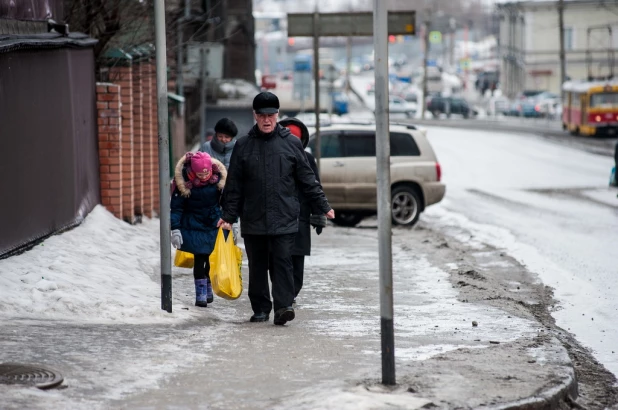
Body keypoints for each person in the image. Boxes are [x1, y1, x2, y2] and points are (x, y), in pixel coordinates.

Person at [217, 91, 335, 326]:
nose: (267, 119)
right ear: (255, 116)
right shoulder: (244, 145)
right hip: (254, 217)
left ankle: (283, 307)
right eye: (262, 115)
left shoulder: (291, 143)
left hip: (284, 216)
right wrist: (229, 216)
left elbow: (307, 178)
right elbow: (234, 186)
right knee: (258, 266)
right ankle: (260, 308)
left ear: (277, 115)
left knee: (283, 263)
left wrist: (322, 206)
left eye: (271, 115)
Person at [275, 118, 327, 307]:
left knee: (297, 260)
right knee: (280, 258)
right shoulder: (274, 157)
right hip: (278, 217)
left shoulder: (308, 159)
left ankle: (292, 292)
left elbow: (315, 187)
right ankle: (283, 294)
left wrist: (318, 214)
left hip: (301, 217)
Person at [170, 151, 227, 308]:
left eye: (206, 172)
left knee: (210, 258)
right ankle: (200, 292)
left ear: (211, 169)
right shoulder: (184, 185)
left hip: (213, 224)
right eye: (199, 173)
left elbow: (228, 203)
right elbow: (176, 208)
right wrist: (175, 229)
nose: (203, 176)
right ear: (193, 171)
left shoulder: (218, 182)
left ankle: (208, 284)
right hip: (193, 225)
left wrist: (231, 222)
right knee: (200, 257)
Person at [200, 118, 240, 241]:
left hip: (231, 194)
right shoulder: (206, 147)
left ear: (232, 138)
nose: (223, 140)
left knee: (228, 232)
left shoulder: (239, 148)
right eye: (220, 136)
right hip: (210, 194)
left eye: (227, 137)